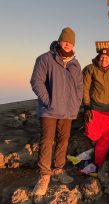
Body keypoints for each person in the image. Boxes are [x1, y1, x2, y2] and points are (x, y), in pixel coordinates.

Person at [30, 27, 83, 196]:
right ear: (59, 41)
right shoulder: (45, 59)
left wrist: (76, 104)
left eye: (71, 42)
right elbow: (36, 82)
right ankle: (44, 175)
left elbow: (79, 88)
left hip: (68, 111)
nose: (67, 44)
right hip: (49, 110)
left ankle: (59, 169)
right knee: (47, 141)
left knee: (63, 141)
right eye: (65, 41)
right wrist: (49, 102)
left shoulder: (75, 63)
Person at [82, 48, 109, 167]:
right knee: (91, 133)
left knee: (105, 139)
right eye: (102, 57)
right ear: (98, 58)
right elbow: (84, 88)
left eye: (106, 58)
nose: (104, 59)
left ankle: (99, 163)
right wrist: (86, 106)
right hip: (94, 107)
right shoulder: (90, 69)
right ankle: (91, 153)